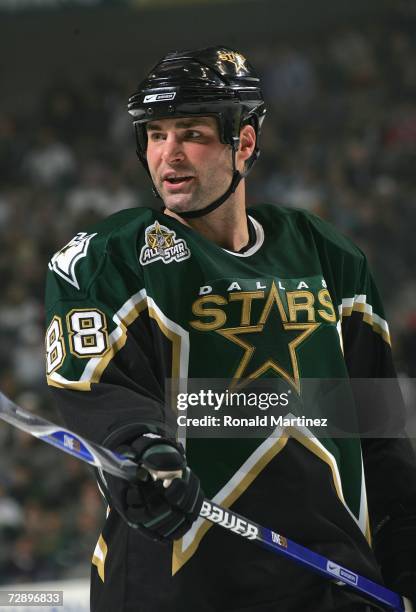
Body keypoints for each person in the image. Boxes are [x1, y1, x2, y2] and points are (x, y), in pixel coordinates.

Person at [44, 47, 416, 611]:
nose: (168, 153)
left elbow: (379, 437)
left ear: (243, 143)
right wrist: (142, 453)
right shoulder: (106, 259)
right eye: (155, 134)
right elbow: (102, 394)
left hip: (333, 587)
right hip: (178, 586)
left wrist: (407, 551)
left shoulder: (328, 257)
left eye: (190, 132)